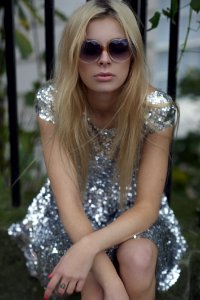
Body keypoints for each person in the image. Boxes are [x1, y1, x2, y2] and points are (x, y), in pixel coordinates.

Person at [8, 0, 187, 299]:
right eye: (90, 49)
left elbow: (146, 208)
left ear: (133, 55)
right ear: (74, 56)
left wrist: (88, 247)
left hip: (132, 217)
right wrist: (112, 284)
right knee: (93, 282)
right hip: (69, 218)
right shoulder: (54, 103)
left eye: (118, 48)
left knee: (138, 260)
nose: (105, 60)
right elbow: (69, 207)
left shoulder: (155, 108)